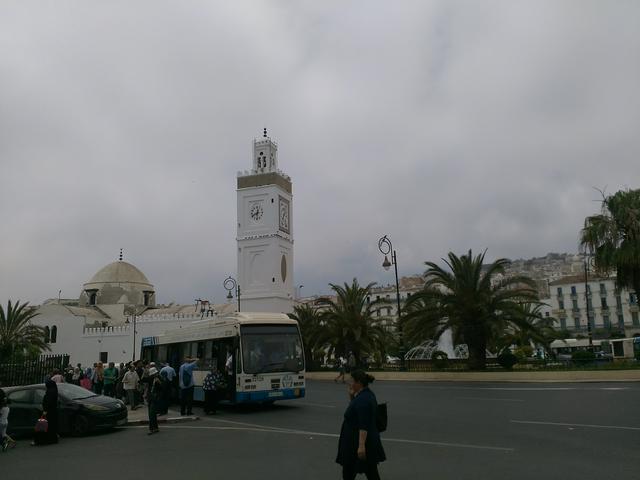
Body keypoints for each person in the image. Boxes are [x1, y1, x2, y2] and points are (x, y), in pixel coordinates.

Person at [336, 370, 386, 480]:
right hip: (363, 442)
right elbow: (356, 413)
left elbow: (364, 424)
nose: (350, 383)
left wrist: (361, 446)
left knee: (349, 472)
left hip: (356, 445)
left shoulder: (363, 400)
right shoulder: (366, 395)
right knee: (371, 472)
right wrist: (352, 397)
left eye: (352, 381)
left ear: (358, 383)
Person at [33, 380, 60, 446]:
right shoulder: (54, 391)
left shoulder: (50, 392)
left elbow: (48, 402)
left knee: (42, 426)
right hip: (53, 411)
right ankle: (52, 439)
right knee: (51, 426)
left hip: (48, 412)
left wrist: (45, 410)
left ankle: (41, 440)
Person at [146, 367, 162, 435]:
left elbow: (162, 388)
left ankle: (151, 429)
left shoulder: (159, 379)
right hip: (150, 398)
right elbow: (142, 379)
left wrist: (159, 382)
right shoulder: (150, 379)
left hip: (155, 398)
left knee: (151, 414)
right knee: (152, 414)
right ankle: (155, 428)